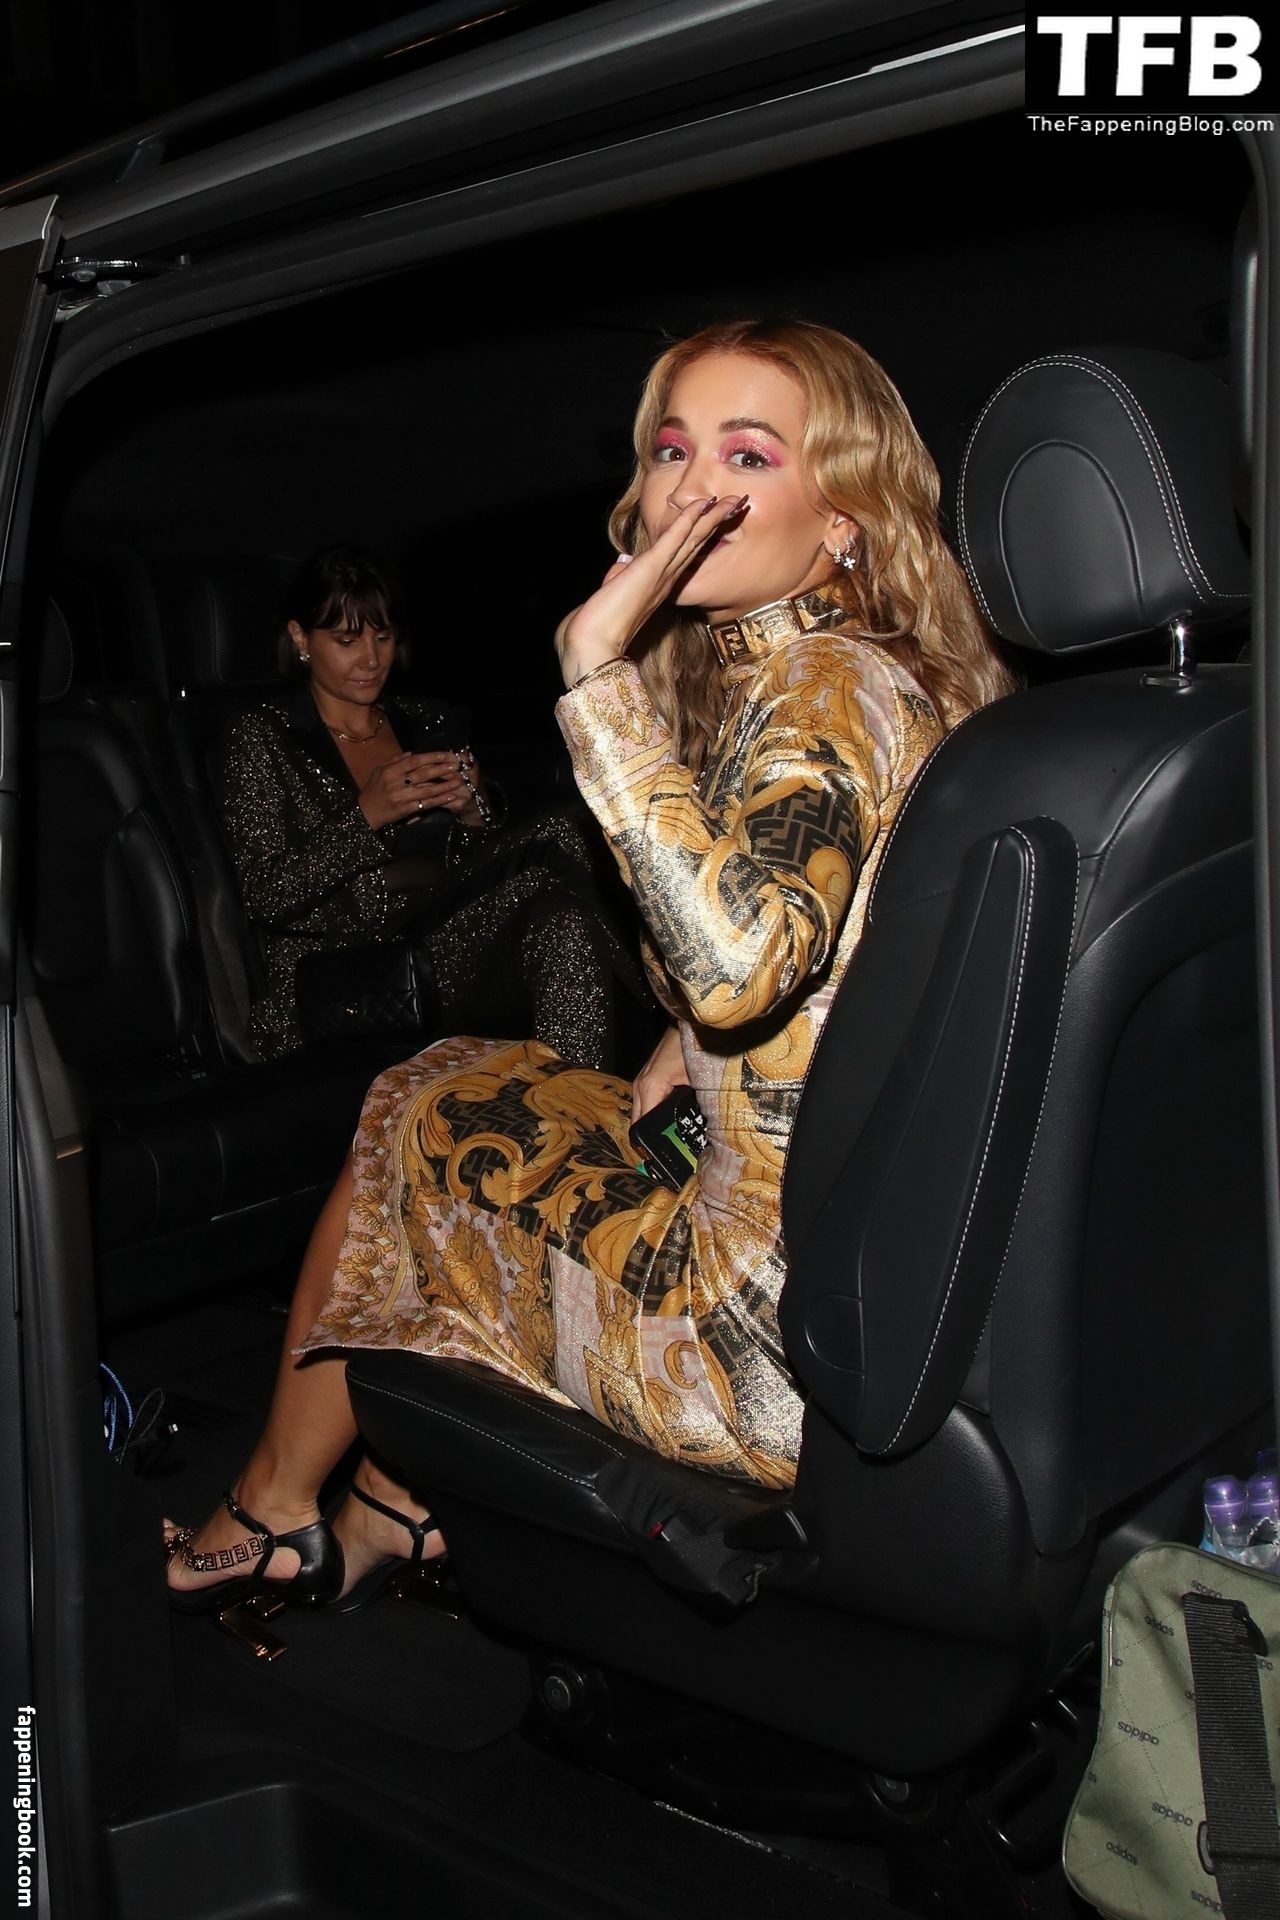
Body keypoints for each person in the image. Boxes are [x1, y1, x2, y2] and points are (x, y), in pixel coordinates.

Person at [167, 320, 1014, 1614]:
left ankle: (276, 1513)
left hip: (755, 1330)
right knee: (454, 1086)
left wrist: (594, 674)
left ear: (844, 513)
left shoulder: (822, 687)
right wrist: (685, 1035)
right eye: (673, 450)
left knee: (414, 1115)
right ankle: (388, 1499)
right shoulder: (888, 673)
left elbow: (741, 964)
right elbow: (827, 951)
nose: (689, 488)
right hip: (865, 1248)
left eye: (747, 454)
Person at [222, 545, 642, 1069]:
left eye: (382, 637)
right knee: (561, 835)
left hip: (440, 943)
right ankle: (681, 1000)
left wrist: (472, 813)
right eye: (347, 641)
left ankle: (575, 1108)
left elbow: (471, 870)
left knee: (563, 920)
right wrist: (366, 816)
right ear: (301, 638)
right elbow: (266, 896)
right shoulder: (264, 738)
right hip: (344, 974)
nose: (371, 660)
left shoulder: (424, 722)